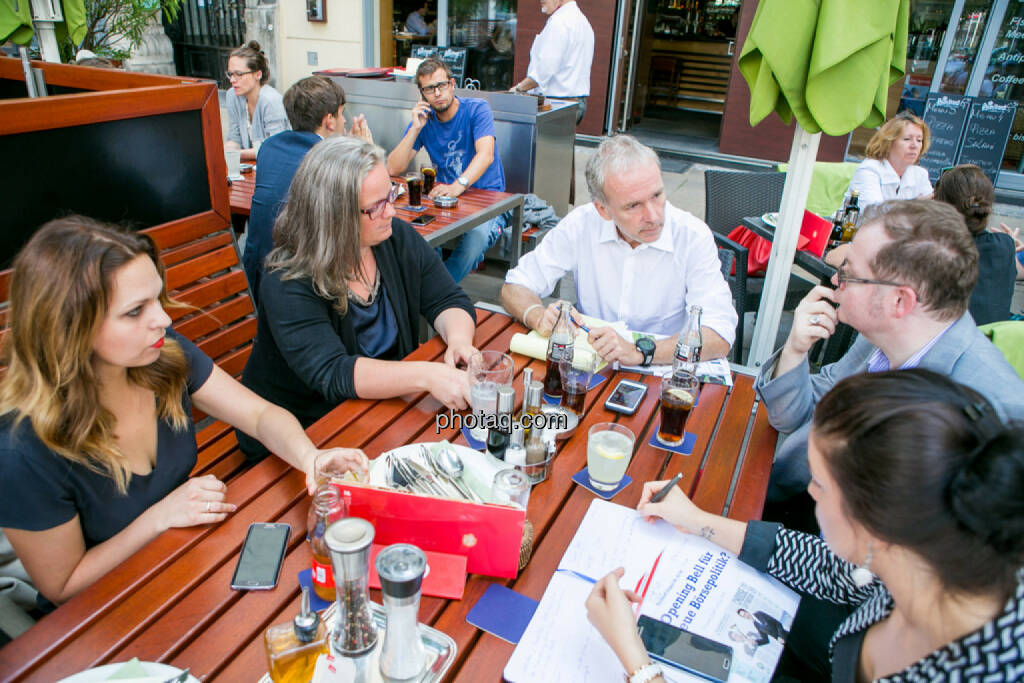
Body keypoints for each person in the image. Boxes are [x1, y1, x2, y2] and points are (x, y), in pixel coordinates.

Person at [0, 217, 368, 609]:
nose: (164, 318)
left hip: (186, 561)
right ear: (70, 328)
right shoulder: (22, 449)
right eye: (134, 311)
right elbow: (64, 585)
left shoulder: (160, 355)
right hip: (105, 613)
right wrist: (160, 518)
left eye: (157, 299)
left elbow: (260, 416)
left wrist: (310, 458)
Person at [586, 370, 1024, 682]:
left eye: (818, 482)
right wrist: (696, 520)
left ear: (875, 524)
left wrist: (637, 662)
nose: (809, 493)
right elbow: (829, 566)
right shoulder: (930, 543)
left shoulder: (977, 666)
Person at [756, 199, 1024, 502]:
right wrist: (795, 350)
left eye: (848, 273)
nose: (834, 279)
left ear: (899, 301)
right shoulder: (885, 336)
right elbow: (792, 417)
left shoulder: (992, 423)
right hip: (789, 500)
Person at [240, 136, 477, 461]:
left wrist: (459, 341)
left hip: (379, 413)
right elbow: (334, 372)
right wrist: (428, 375)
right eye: (376, 206)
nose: (391, 211)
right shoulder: (288, 278)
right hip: (305, 433)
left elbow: (447, 298)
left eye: (390, 195)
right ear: (333, 216)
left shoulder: (393, 237)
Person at [501, 135, 737, 367]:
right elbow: (515, 286)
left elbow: (719, 334)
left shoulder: (692, 235)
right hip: (589, 365)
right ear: (603, 210)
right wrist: (537, 315)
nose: (654, 216)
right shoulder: (582, 223)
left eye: (657, 195)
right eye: (633, 205)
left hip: (663, 367)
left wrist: (639, 352)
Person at [242, 76, 373, 301]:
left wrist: (343, 149)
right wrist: (362, 150)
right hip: (302, 282)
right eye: (342, 114)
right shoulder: (326, 162)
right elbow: (369, 199)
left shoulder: (270, 147)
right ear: (329, 120)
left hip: (256, 274)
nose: (344, 122)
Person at [385, 58, 508, 282]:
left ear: (452, 84)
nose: (437, 93)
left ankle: (436, 295)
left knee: (475, 241)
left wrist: (457, 185)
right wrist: (415, 129)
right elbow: (393, 167)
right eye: (429, 89)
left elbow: (486, 154)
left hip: (489, 199)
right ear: (422, 94)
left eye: (441, 85)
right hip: (444, 201)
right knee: (417, 234)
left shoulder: (476, 109)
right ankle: (433, 292)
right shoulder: (425, 121)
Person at [933, 164, 1016, 325]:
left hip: (947, 343)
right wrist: (1008, 247)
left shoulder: (934, 248)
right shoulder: (1004, 245)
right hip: (990, 342)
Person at [510, 0, 594, 126]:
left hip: (557, 104)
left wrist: (517, 89)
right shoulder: (583, 22)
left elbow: (544, 70)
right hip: (575, 103)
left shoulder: (559, 22)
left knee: (547, 145)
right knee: (561, 145)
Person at [846, 111, 933, 209]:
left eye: (919, 140)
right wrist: (913, 206)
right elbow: (872, 212)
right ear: (889, 142)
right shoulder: (869, 169)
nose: (914, 145)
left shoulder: (920, 174)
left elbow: (932, 212)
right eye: (907, 139)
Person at [224, 41, 291, 162]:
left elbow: (276, 148)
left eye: (239, 74)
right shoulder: (232, 96)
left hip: (276, 164)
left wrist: (237, 154)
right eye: (230, 74)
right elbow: (234, 138)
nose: (232, 80)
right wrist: (229, 148)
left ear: (258, 74)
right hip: (249, 166)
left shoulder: (271, 100)